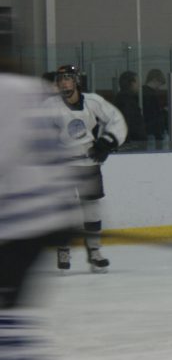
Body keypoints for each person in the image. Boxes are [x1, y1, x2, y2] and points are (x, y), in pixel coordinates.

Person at [0, 71, 79, 360]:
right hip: (34, 218)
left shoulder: (5, 90)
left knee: (6, 313)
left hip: (17, 225)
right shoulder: (26, 87)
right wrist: (63, 209)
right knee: (10, 313)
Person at [42, 64, 127, 272]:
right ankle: (63, 249)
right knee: (65, 212)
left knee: (91, 210)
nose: (64, 83)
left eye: (68, 78)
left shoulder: (92, 101)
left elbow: (116, 119)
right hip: (63, 166)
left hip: (88, 163)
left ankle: (95, 251)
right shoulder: (50, 105)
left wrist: (107, 142)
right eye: (60, 80)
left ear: (76, 81)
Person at [113, 71, 146, 149]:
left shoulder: (122, 98)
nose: (139, 85)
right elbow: (129, 123)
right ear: (132, 83)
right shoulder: (126, 101)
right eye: (137, 82)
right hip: (132, 143)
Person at [142, 69, 168, 149]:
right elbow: (153, 114)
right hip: (152, 131)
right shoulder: (150, 94)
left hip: (148, 129)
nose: (159, 87)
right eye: (159, 83)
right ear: (154, 79)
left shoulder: (142, 91)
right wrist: (163, 111)